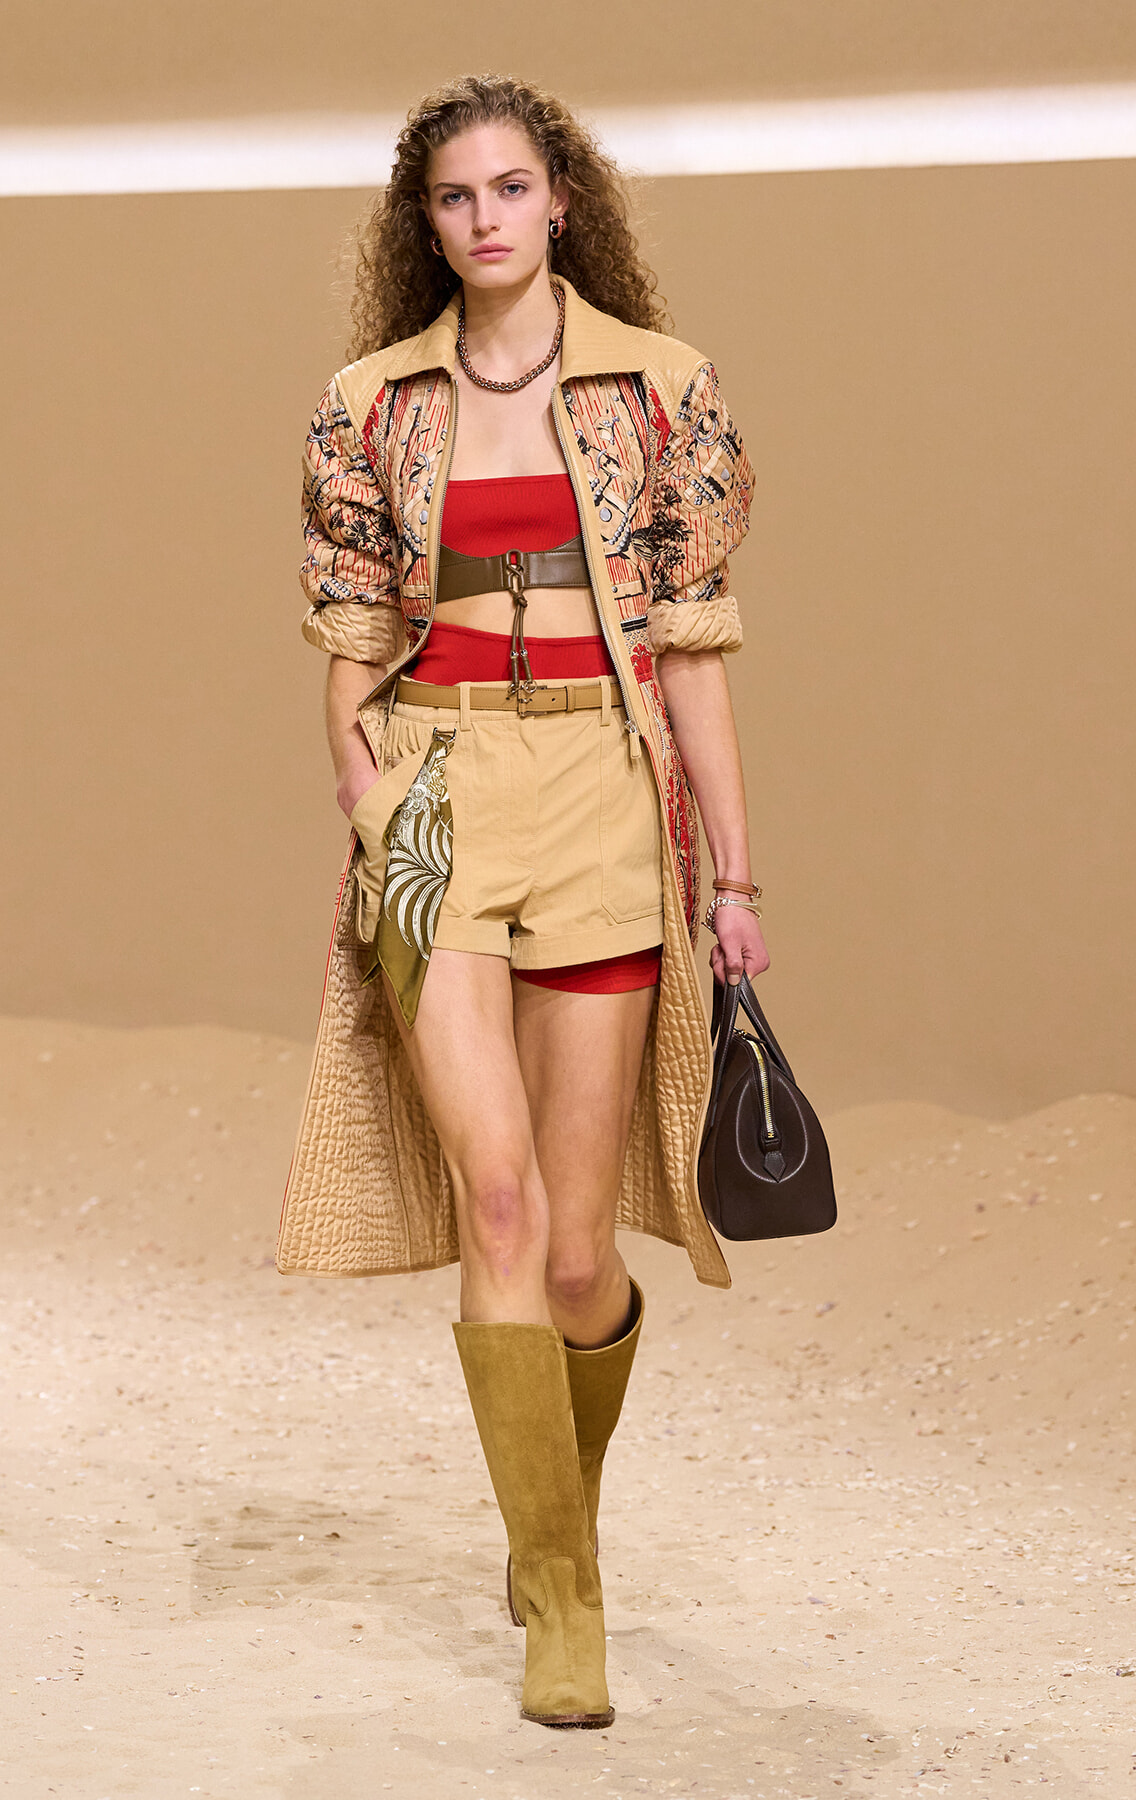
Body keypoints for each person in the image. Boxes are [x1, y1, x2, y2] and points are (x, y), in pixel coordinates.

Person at [276, 73, 769, 1729]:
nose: (484, 219)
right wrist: (368, 792)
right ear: (425, 223)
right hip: (434, 808)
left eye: (510, 187)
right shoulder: (370, 402)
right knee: (490, 1205)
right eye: (451, 198)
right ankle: (564, 1596)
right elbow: (345, 629)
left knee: (574, 1257)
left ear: (563, 196)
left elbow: (693, 646)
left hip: (605, 804)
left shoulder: (664, 391)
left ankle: (559, 1507)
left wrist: (738, 874)